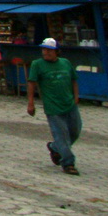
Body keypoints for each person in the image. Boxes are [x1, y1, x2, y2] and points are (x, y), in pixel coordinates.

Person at [26, 37, 81, 175]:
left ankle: (55, 147)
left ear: (57, 51)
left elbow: (73, 80)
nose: (46, 52)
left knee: (74, 131)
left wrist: (76, 97)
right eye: (44, 49)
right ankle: (68, 162)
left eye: (49, 50)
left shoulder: (65, 63)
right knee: (62, 135)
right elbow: (32, 83)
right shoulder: (37, 64)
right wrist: (30, 103)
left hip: (69, 104)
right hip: (53, 107)